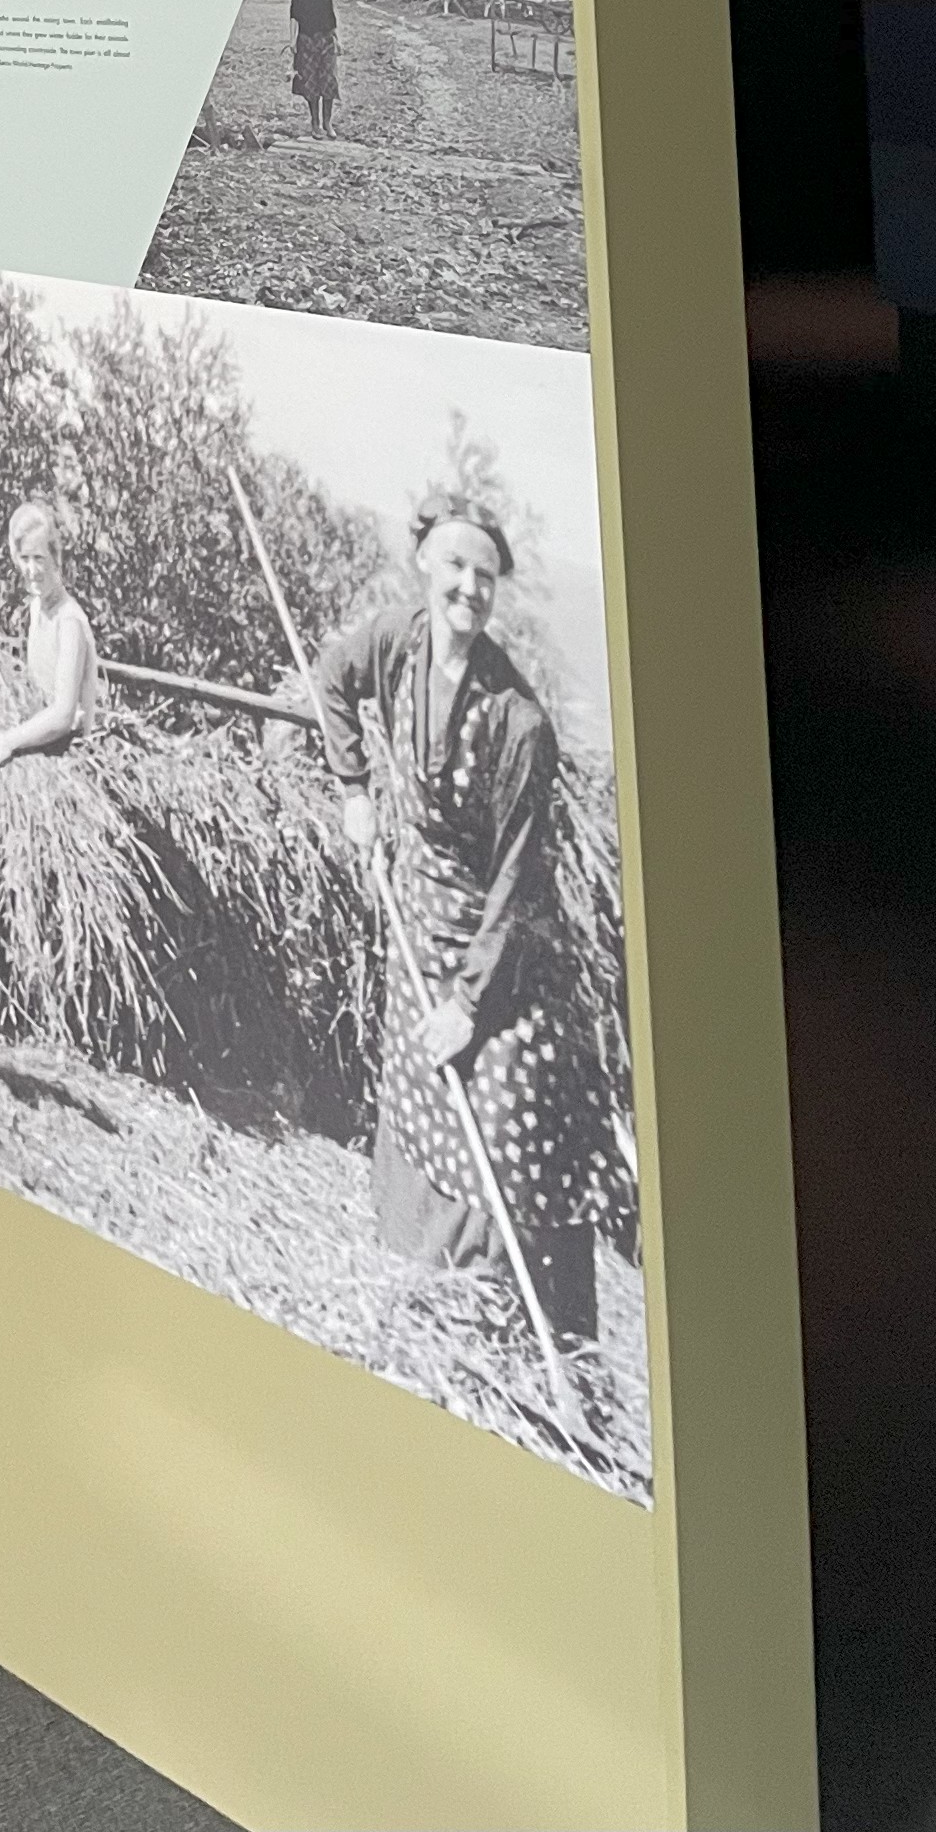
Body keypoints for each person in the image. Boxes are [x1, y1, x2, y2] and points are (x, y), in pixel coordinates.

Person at [311, 489, 604, 1348]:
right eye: (455, 566)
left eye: (485, 575)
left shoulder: (519, 724)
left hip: (497, 950)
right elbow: (332, 680)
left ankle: (525, 1328)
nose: (469, 587)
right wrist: (354, 791)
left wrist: (470, 1004)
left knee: (509, 1111)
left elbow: (518, 883)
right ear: (424, 565)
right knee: (419, 1091)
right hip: (418, 917)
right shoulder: (396, 643)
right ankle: (418, 1278)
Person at [0, 502, 102, 770]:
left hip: (70, 754)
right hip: (45, 737)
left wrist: (8, 741)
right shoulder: (37, 607)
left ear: (55, 558)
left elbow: (63, 715)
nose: (32, 570)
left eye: (39, 558)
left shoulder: (69, 621)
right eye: (25, 558)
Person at [289, 0, 342, 139]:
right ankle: (315, 123)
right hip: (306, 40)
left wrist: (337, 39)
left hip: (325, 39)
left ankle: (327, 122)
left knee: (328, 81)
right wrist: (292, 40)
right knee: (311, 83)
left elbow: (330, 15)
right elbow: (294, 14)